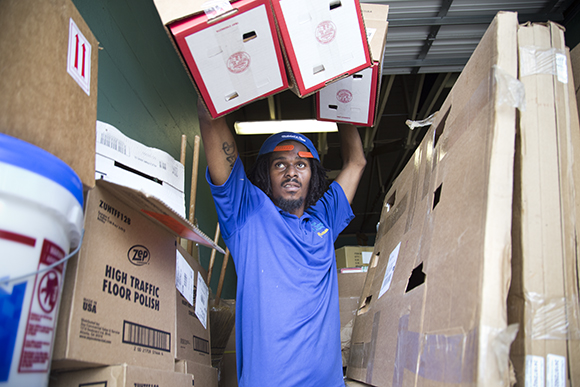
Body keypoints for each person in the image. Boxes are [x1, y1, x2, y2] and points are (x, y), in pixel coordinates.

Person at [198, 99, 366, 387]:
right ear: (266, 174)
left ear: (312, 176)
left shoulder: (324, 220)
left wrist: (342, 98)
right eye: (280, 165)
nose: (291, 172)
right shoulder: (246, 213)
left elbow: (356, 162)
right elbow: (210, 120)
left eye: (301, 164)